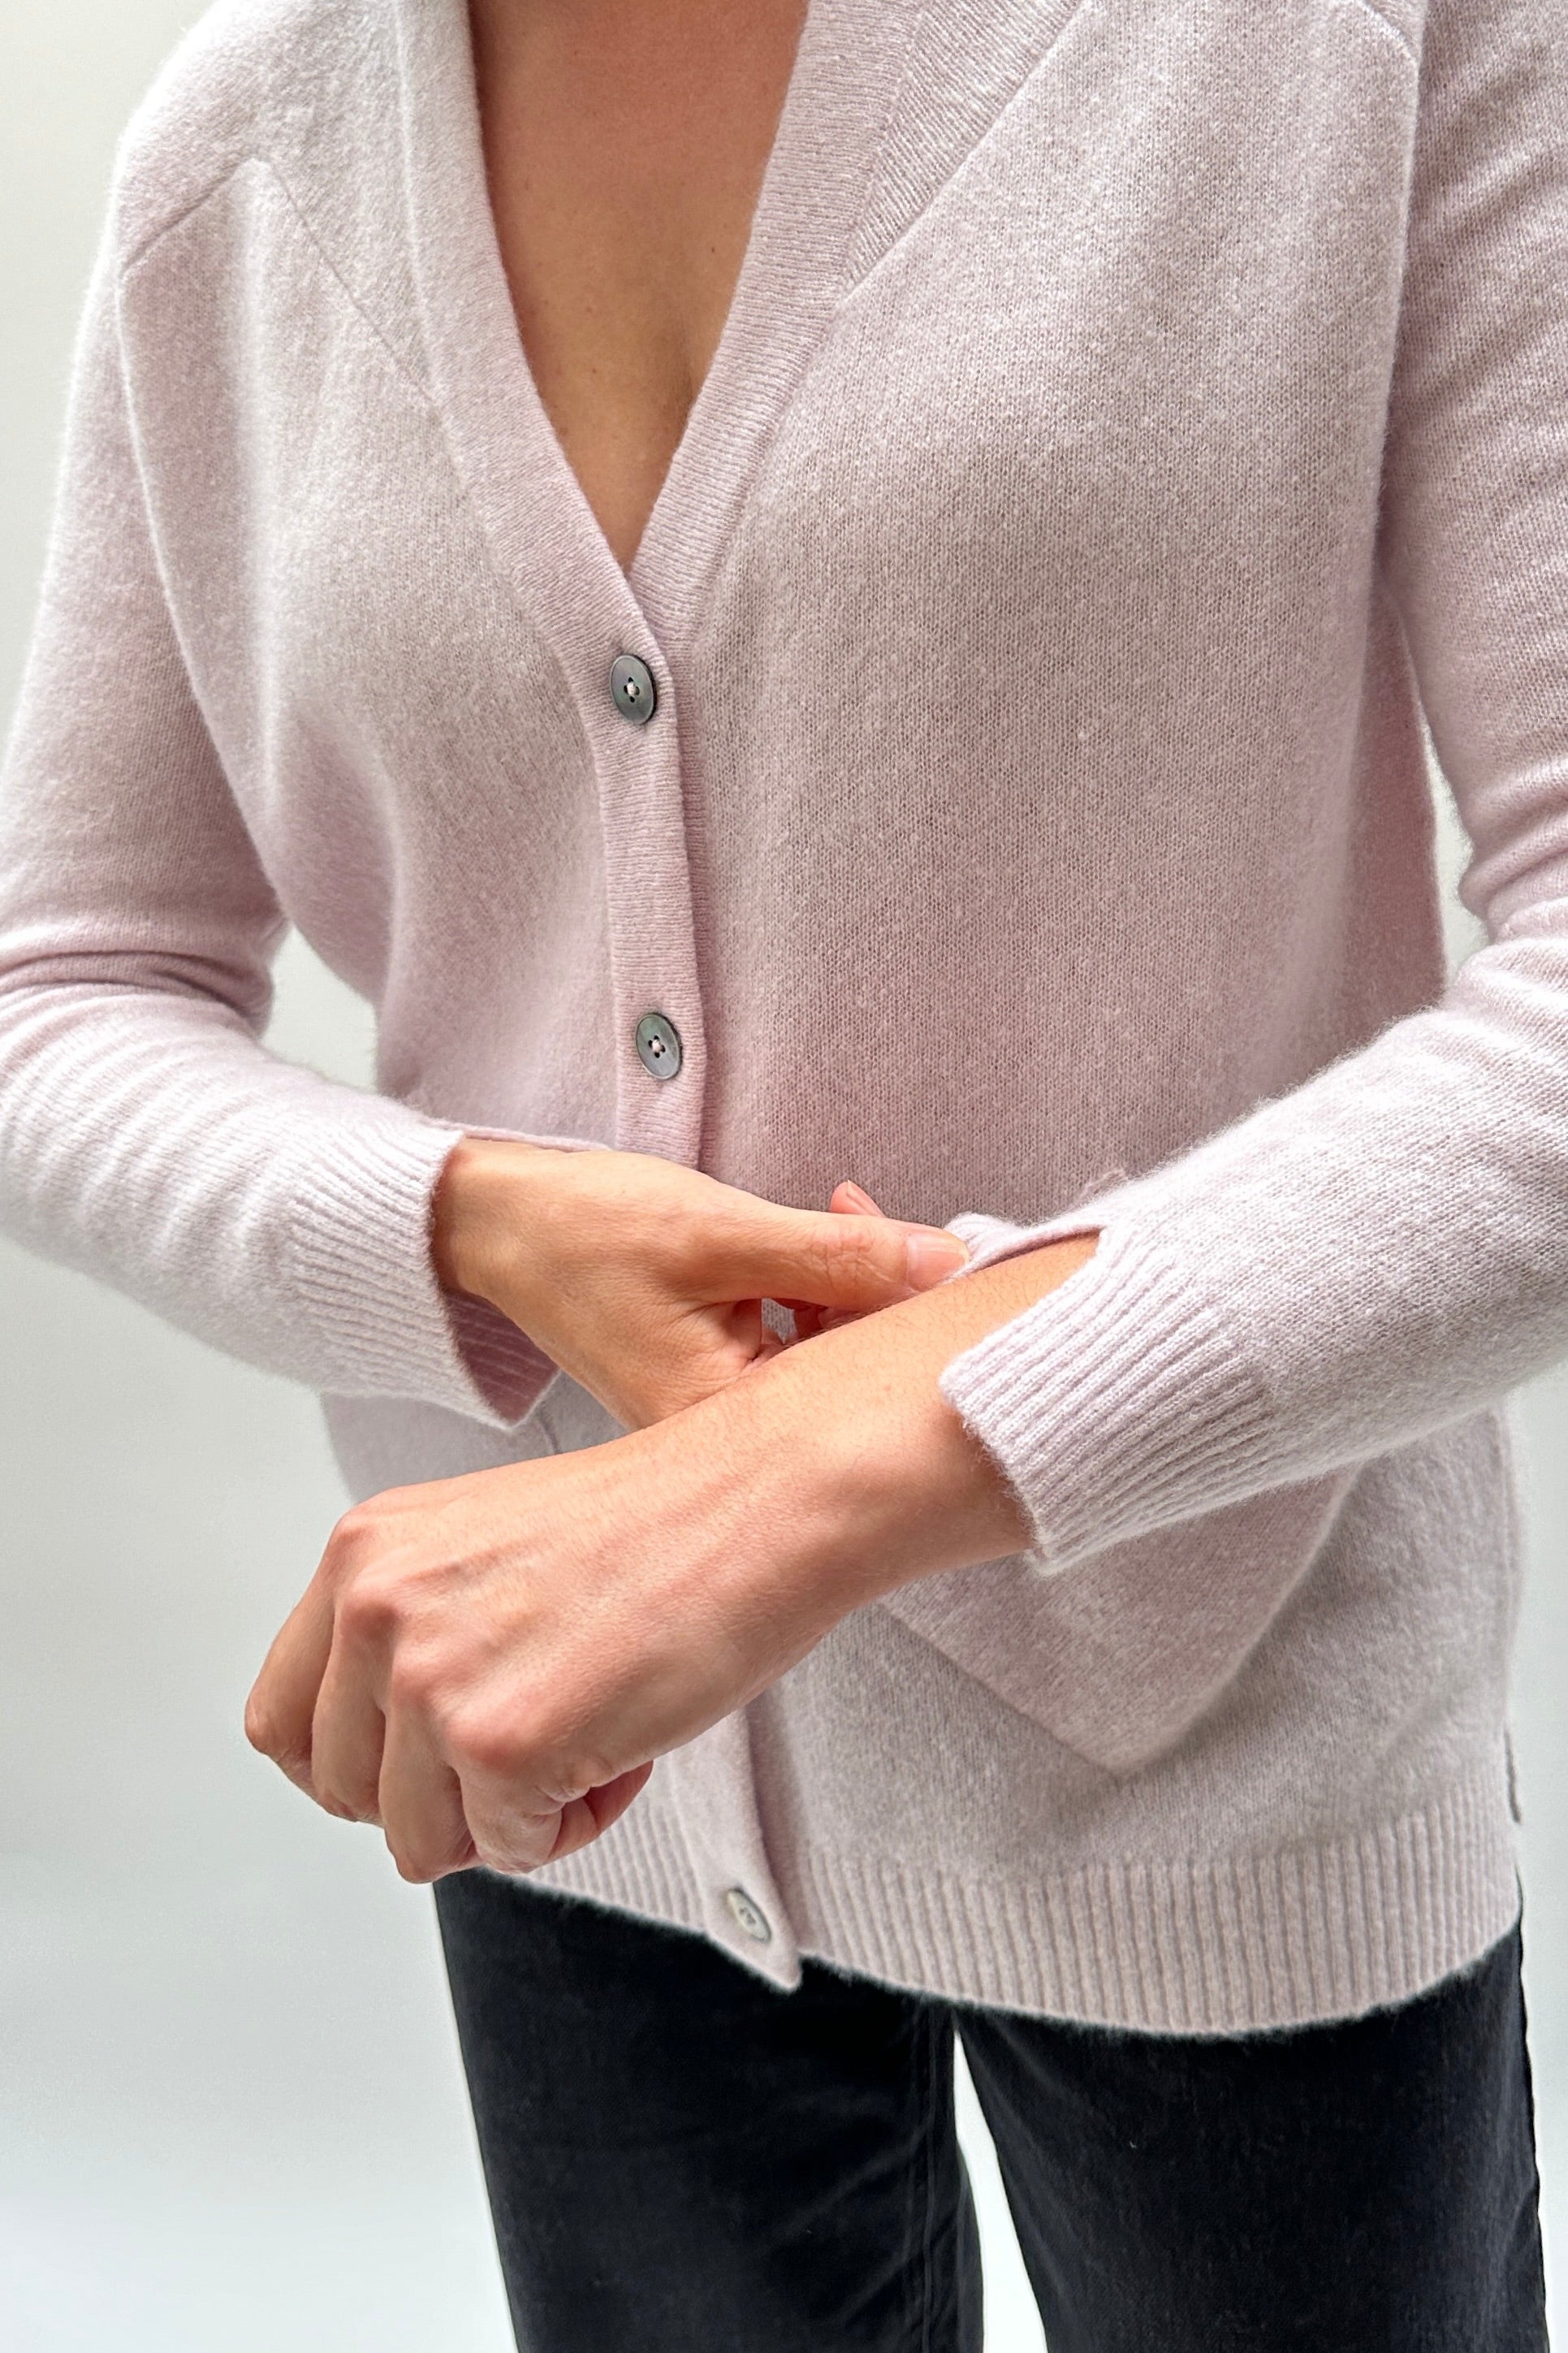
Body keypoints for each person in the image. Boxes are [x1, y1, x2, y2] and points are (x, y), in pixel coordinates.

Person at [0, 0, 1559, 2341]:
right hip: (567, 1776)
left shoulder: (1347, 42)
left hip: (1220, 1731)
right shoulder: (243, 153)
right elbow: (64, 986)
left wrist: (803, 1475)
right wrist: (464, 1224)